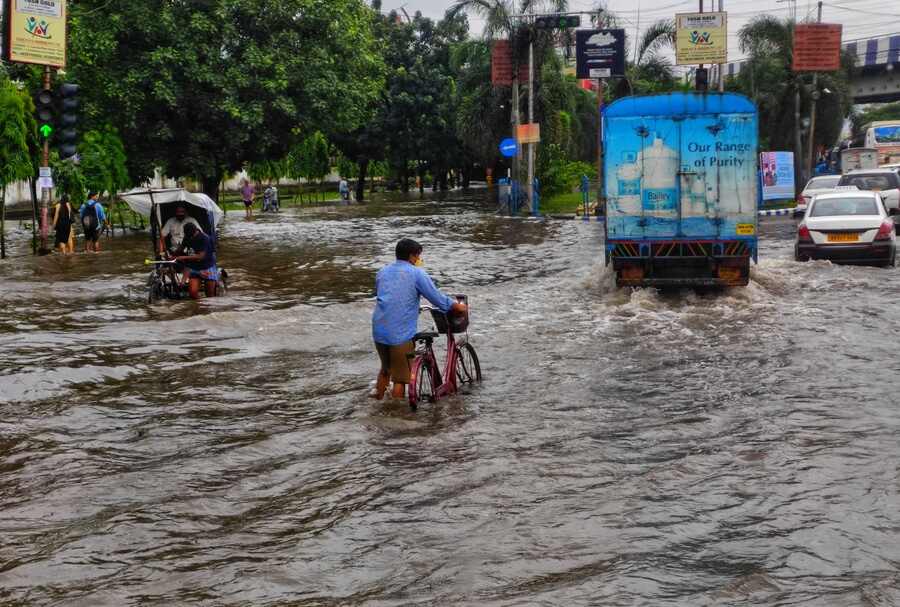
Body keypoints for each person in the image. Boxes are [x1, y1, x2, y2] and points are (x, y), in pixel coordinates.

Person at [371, 238, 467, 400]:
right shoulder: (417, 273)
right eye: (418, 256)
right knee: (400, 379)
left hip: (379, 329)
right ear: (412, 256)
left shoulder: (382, 272)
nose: (418, 260)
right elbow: (436, 298)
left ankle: (378, 402)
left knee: (386, 369)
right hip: (398, 333)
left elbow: (387, 296)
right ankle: (395, 416)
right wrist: (457, 307)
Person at [173, 223, 218, 299]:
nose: (190, 238)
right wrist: (173, 255)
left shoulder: (205, 238)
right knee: (192, 293)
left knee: (210, 295)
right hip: (194, 266)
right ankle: (198, 306)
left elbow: (201, 256)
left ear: (195, 231)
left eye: (192, 236)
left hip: (207, 266)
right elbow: (181, 248)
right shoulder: (188, 236)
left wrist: (183, 257)